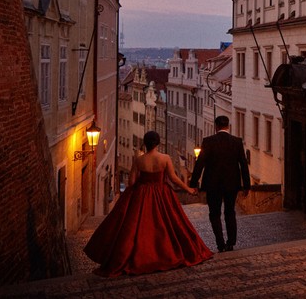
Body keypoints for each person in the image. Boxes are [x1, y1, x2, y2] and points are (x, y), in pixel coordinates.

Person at [84, 131, 213, 277]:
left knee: (138, 227)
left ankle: (141, 256)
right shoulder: (165, 158)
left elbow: (132, 182)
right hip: (162, 194)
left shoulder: (139, 160)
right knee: (170, 223)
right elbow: (174, 178)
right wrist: (189, 189)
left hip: (142, 195)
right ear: (158, 143)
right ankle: (166, 254)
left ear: (145, 143)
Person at [190, 115, 251, 252]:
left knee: (214, 213)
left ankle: (220, 243)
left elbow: (200, 164)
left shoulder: (208, 142)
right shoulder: (237, 142)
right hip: (232, 183)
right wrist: (246, 185)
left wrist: (193, 183)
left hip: (213, 184)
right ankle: (231, 243)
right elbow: (243, 164)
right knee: (230, 212)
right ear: (228, 126)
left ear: (216, 126)